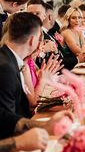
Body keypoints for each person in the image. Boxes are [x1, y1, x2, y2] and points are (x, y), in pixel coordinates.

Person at [0, 11, 73, 139]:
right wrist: (45, 126)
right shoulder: (5, 67)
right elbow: (6, 122)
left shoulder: (10, 59)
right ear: (32, 40)